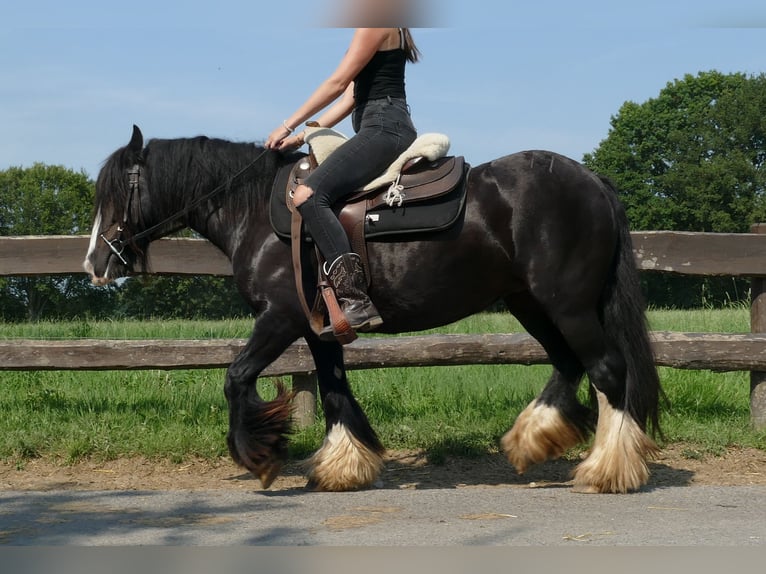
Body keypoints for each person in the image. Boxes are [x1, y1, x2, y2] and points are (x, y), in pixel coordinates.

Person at [265, 27, 420, 333]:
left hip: (383, 126)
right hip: (380, 124)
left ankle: (355, 299)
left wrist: (286, 124)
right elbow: (351, 96)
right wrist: (301, 137)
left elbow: (336, 84)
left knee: (308, 195)